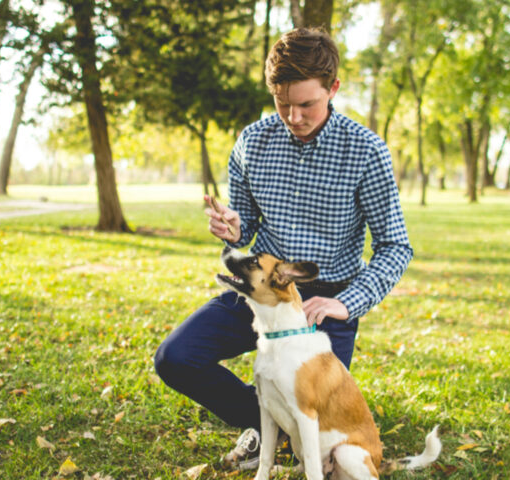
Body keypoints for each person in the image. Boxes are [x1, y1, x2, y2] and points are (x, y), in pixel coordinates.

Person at [154, 27, 413, 470]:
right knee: (175, 358)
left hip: (324, 303)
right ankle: (260, 419)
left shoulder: (366, 151)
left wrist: (344, 303)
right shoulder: (252, 143)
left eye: (306, 104)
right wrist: (233, 229)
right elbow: (247, 228)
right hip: (261, 291)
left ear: (333, 88)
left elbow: (395, 246)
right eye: (282, 103)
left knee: (311, 435)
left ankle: (284, 425)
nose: (293, 116)